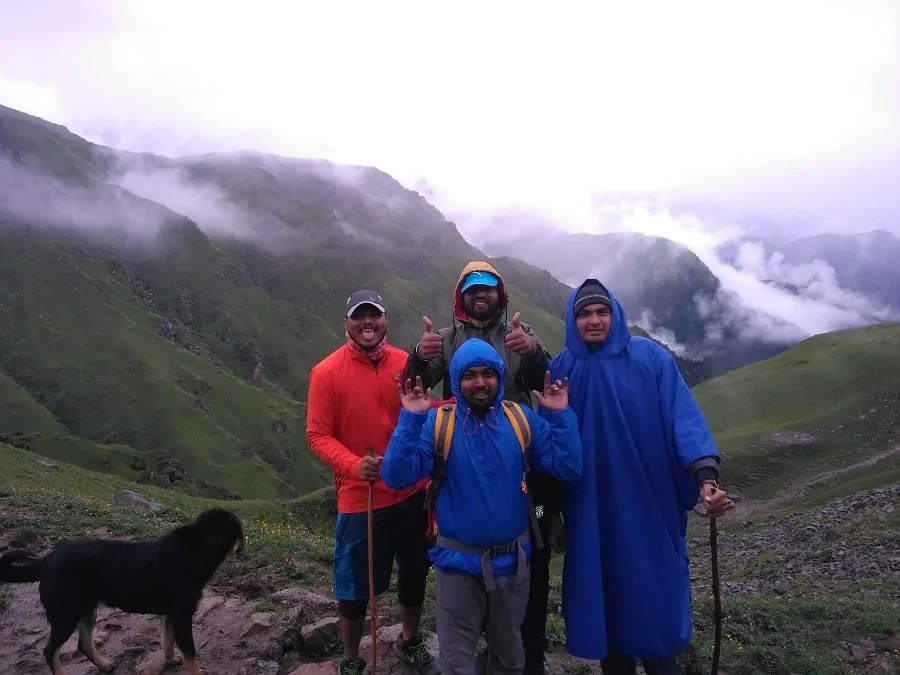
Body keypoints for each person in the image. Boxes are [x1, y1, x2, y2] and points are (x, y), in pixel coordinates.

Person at [547, 279, 730, 675]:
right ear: (572, 320)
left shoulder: (651, 359)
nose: (594, 321)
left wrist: (705, 475)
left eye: (601, 312)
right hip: (590, 510)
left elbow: (683, 419)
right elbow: (553, 449)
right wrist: (553, 513)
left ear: (614, 314)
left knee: (653, 601)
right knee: (605, 600)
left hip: (649, 506)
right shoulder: (561, 369)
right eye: (584, 314)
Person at [382, 338, 583, 675]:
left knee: (508, 659)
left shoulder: (521, 420)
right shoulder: (439, 423)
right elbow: (397, 476)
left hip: (512, 565)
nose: (480, 382)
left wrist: (560, 414)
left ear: (499, 377)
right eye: (469, 375)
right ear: (457, 381)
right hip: (457, 567)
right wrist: (410, 420)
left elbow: (568, 466)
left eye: (488, 374)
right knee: (456, 662)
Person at [404, 261, 564, 675]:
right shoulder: (444, 339)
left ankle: (529, 650)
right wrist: (418, 358)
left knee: (536, 545)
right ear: (462, 295)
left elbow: (545, 382)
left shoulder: (518, 336)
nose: (481, 294)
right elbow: (415, 386)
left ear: (500, 294)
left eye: (489, 288)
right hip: (464, 467)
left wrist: (533, 354)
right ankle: (476, 647)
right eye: (473, 288)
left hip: (525, 467)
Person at [306, 290, 442, 675]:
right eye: (358, 316)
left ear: (385, 320)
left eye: (374, 316)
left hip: (413, 491)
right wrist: (353, 464)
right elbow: (317, 434)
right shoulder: (326, 373)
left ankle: (409, 640)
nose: (367, 322)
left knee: (415, 571)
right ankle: (351, 660)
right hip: (360, 496)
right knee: (354, 589)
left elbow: (425, 410)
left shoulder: (405, 363)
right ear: (346, 323)